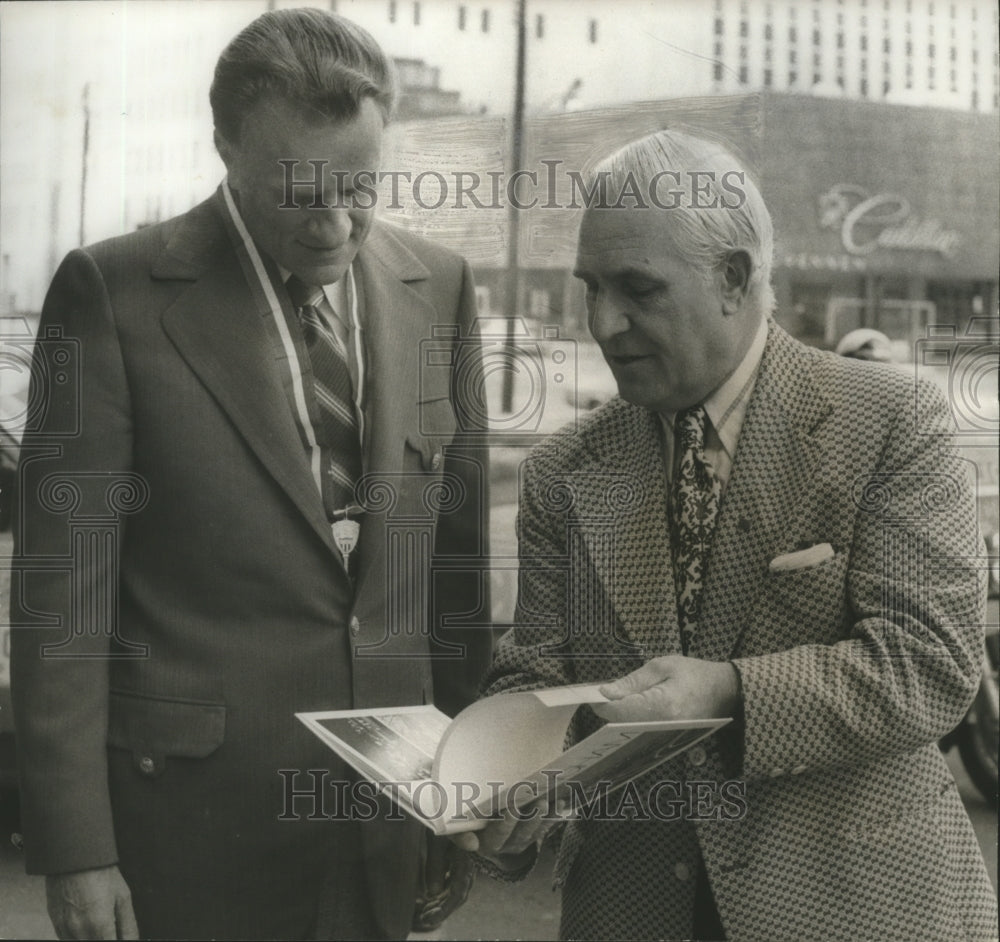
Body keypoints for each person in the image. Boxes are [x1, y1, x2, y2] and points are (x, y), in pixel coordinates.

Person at [11, 8, 490, 940]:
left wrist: (459, 791)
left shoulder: (441, 287)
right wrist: (76, 848)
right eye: (297, 193)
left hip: (388, 821)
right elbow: (60, 604)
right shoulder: (110, 297)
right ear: (224, 145)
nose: (334, 225)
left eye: (359, 188)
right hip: (190, 840)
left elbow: (455, 580)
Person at [469, 130, 996, 941]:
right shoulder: (562, 472)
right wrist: (502, 782)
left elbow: (931, 664)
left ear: (735, 278)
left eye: (638, 288)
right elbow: (535, 681)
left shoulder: (892, 421)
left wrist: (725, 693)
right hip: (631, 912)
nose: (605, 322)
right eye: (591, 287)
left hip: (859, 909)